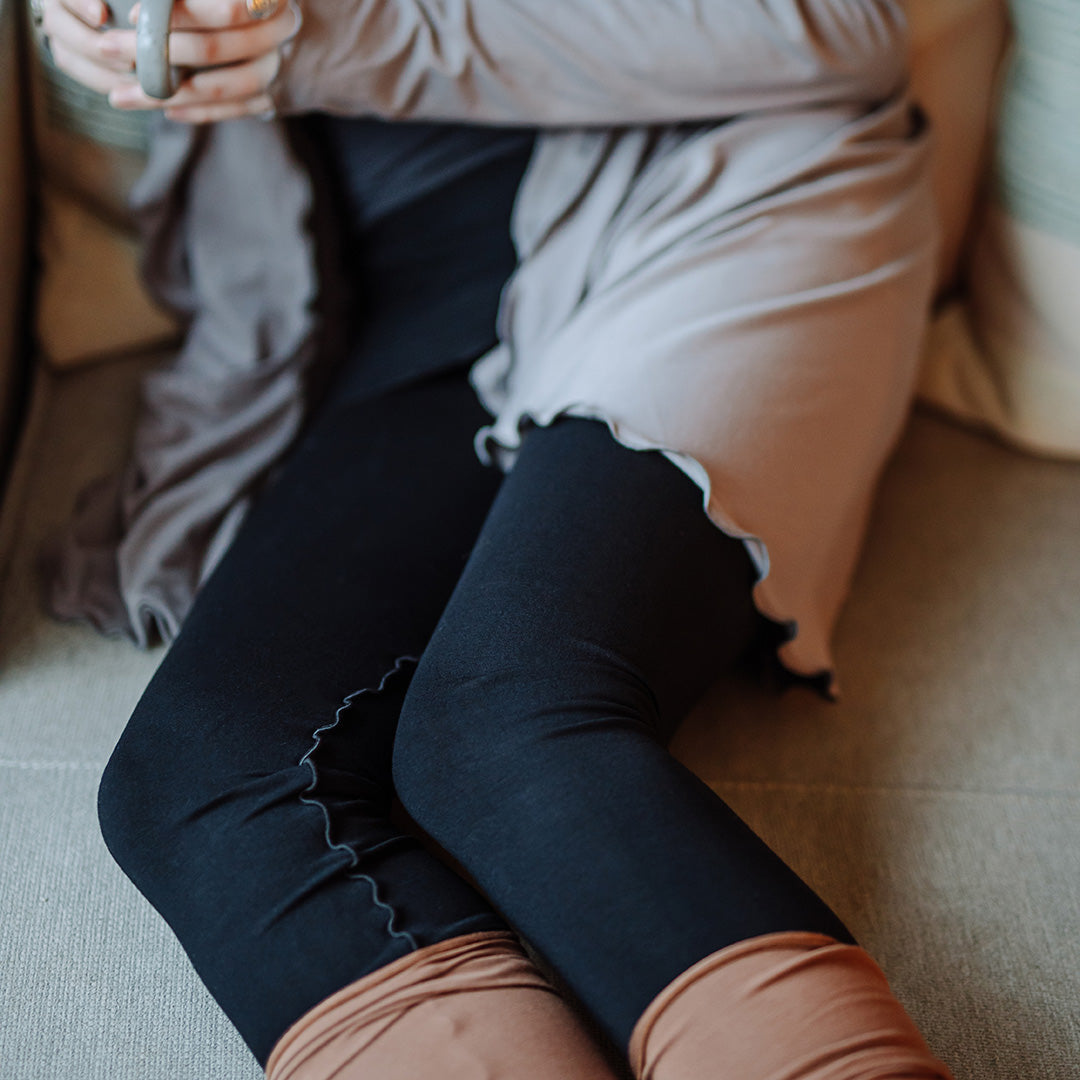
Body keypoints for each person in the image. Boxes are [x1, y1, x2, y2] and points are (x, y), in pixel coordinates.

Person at [40, 0, 955, 1076]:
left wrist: (336, 41)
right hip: (410, 308)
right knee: (203, 789)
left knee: (504, 735)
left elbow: (846, 29)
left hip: (712, 205)